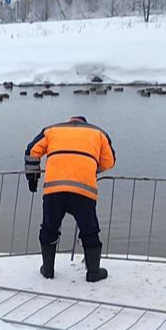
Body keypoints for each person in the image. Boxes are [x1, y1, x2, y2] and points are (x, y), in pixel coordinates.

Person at [25, 116, 116, 282]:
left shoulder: (52, 130)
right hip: (84, 189)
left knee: (49, 228)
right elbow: (109, 161)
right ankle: (93, 273)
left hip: (54, 189)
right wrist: (91, 168)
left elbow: (32, 151)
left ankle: (47, 270)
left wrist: (32, 179)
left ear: (69, 121)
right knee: (89, 230)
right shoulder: (98, 133)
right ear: (85, 123)